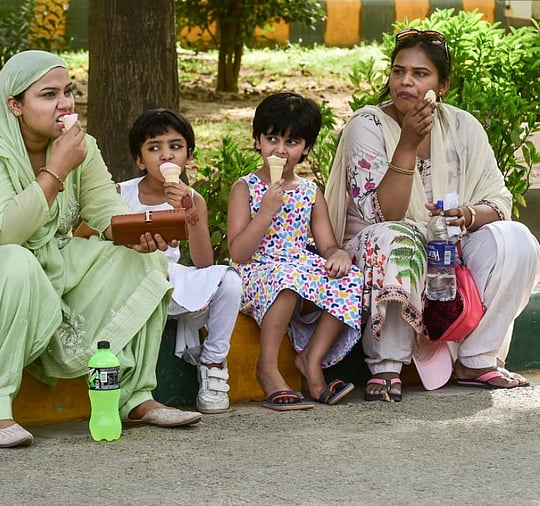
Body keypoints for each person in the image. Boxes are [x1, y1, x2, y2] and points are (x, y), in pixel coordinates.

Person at [0, 50, 202, 449]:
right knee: (15, 262)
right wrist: (58, 170)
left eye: (67, 92)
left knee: (144, 258)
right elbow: (3, 236)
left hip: (54, 267)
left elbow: (108, 210)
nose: (65, 103)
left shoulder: (78, 147)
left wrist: (140, 234)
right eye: (48, 95)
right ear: (14, 105)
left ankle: (134, 395)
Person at [324, 28, 540, 401]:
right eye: (398, 71)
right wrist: (406, 144)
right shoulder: (368, 125)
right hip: (376, 250)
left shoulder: (462, 126)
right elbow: (382, 214)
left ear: (442, 86)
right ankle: (386, 362)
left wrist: (468, 215)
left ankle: (477, 357)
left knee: (519, 239)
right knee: (398, 236)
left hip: (448, 252)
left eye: (420, 74)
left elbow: (499, 201)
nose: (405, 81)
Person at [227, 93, 363, 410]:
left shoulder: (309, 191)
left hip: (298, 267)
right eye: (272, 139)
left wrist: (338, 255)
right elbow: (239, 252)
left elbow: (326, 243)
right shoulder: (245, 188)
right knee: (287, 281)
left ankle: (311, 361)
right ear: (258, 141)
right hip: (256, 270)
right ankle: (268, 369)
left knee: (350, 280)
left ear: (306, 149)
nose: (280, 150)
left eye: (292, 142)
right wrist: (266, 212)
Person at [117, 108, 243, 414]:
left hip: (171, 283)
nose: (166, 156)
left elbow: (203, 262)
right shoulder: (120, 194)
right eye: (154, 147)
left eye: (175, 146)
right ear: (139, 159)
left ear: (188, 155)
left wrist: (190, 211)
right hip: (130, 283)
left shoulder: (192, 198)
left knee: (229, 280)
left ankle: (213, 363)